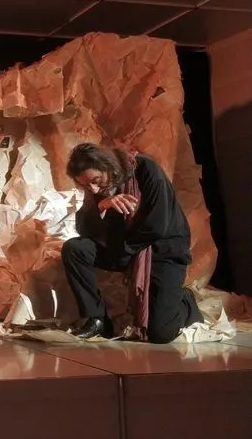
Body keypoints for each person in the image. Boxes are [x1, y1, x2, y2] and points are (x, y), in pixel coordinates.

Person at [61, 142, 203, 343]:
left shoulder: (146, 169)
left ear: (107, 166)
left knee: (160, 333)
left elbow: (157, 226)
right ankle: (97, 319)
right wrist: (101, 206)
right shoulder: (97, 189)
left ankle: (186, 301)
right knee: (75, 248)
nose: (93, 188)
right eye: (86, 185)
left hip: (161, 252)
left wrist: (124, 251)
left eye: (96, 180)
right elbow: (84, 229)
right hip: (124, 248)